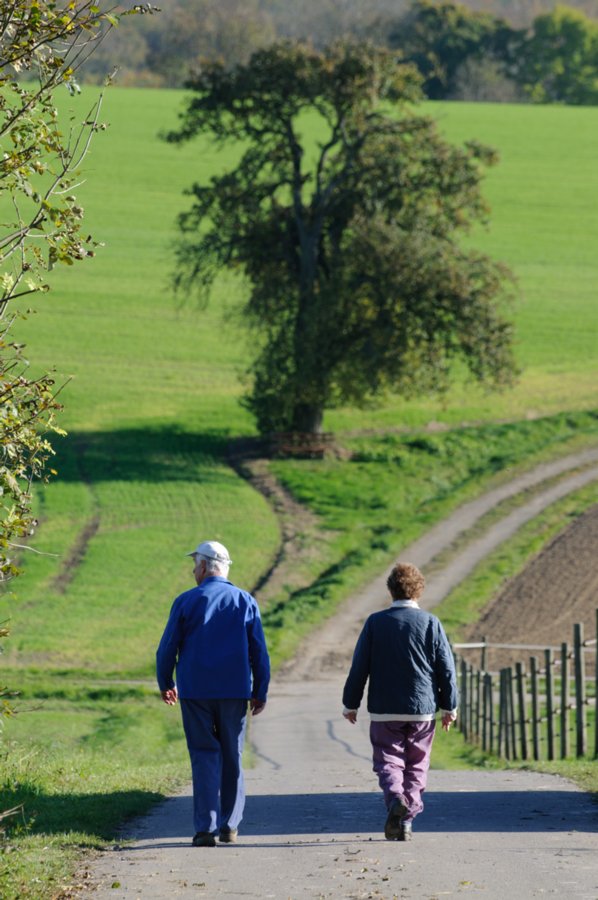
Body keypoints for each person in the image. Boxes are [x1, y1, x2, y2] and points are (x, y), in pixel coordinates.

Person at [156, 540, 270, 847]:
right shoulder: (245, 601)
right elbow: (259, 651)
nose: (193, 570)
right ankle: (229, 824)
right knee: (232, 755)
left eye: (195, 564)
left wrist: (166, 681)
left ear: (205, 566)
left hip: (195, 691)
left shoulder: (185, 601)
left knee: (204, 755)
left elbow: (168, 646)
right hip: (235, 691)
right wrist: (260, 690)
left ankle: (204, 828)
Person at [342, 561, 458, 842]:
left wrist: (351, 702)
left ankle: (395, 798)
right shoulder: (431, 623)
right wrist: (449, 706)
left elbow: (360, 666)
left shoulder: (375, 622)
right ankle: (407, 819)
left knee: (389, 759)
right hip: (422, 709)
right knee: (417, 764)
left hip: (384, 708)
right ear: (419, 591)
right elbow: (445, 668)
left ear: (390, 590)